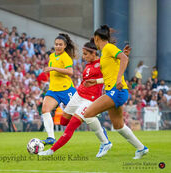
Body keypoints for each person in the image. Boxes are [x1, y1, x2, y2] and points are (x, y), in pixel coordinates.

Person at [40, 25, 148, 159]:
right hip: (114, 91)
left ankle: (105, 142)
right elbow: (113, 69)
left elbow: (123, 61)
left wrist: (120, 76)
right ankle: (141, 148)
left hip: (116, 91)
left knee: (88, 113)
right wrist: (96, 81)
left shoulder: (108, 48)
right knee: (119, 126)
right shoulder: (105, 53)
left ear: (97, 39)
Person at [39, 39, 112, 157]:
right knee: (63, 121)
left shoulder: (102, 64)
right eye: (83, 54)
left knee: (71, 125)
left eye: (85, 54)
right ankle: (90, 117)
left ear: (94, 53)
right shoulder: (88, 64)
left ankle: (51, 151)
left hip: (90, 99)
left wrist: (97, 81)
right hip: (79, 95)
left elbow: (111, 78)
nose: (83, 57)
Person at [41, 33, 76, 145]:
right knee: (45, 109)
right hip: (54, 90)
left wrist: (54, 68)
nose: (58, 46)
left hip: (67, 90)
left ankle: (102, 136)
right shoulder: (52, 56)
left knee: (83, 114)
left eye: (60, 44)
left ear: (65, 45)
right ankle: (51, 137)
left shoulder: (66, 57)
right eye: (56, 44)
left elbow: (70, 72)